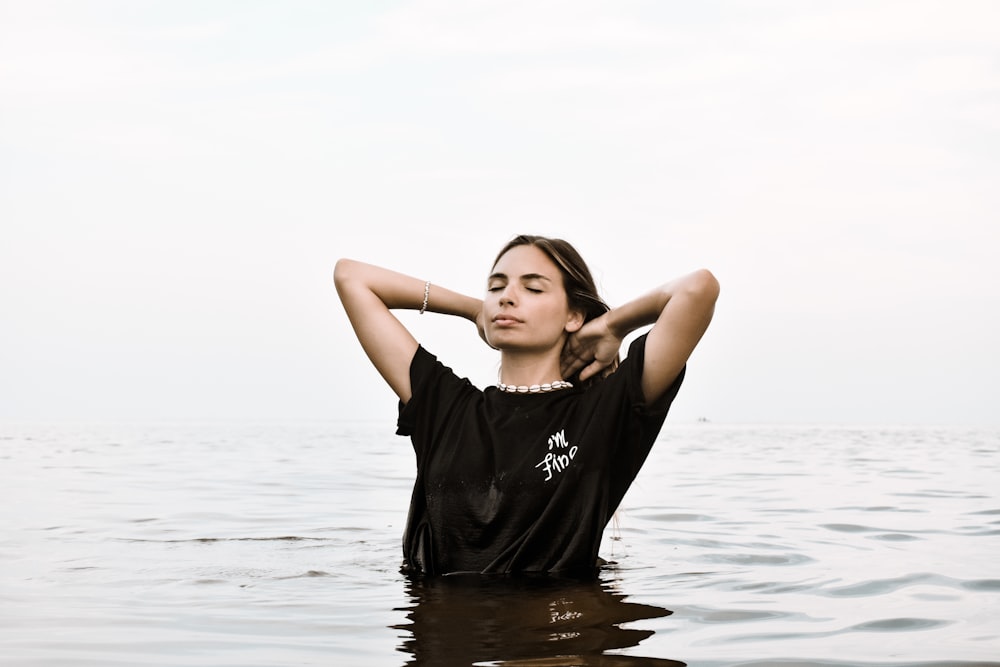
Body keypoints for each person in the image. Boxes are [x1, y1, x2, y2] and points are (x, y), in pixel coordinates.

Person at [334, 235, 719, 577]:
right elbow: (351, 277)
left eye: (533, 288)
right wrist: (472, 310)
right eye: (496, 286)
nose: (507, 296)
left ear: (573, 315)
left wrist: (611, 326)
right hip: (443, 641)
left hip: (552, 644)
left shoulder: (605, 412)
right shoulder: (444, 405)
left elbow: (698, 289)